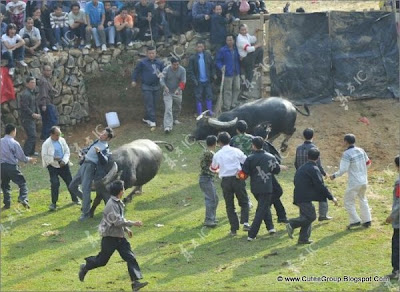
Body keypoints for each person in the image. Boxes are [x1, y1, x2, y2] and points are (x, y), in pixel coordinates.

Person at [78, 180, 149, 292]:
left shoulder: (118, 202)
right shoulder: (111, 205)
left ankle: (135, 283)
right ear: (120, 191)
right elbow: (117, 222)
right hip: (110, 238)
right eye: (123, 189)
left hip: (120, 237)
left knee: (130, 257)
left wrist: (126, 229)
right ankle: (85, 267)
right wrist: (133, 223)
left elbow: (120, 219)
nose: (124, 191)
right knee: (102, 261)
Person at [286, 148, 338, 244]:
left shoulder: (302, 167)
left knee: (306, 216)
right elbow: (320, 185)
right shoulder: (314, 169)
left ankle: (303, 239)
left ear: (307, 157)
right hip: (304, 197)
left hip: (299, 195)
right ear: (318, 158)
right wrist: (331, 197)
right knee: (311, 216)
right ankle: (292, 223)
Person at [240, 137, 281, 241]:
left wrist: (238, 176)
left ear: (253, 145)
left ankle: (270, 227)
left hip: (255, 188)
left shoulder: (250, 158)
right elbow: (276, 170)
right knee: (261, 209)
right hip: (267, 187)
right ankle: (252, 235)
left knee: (264, 206)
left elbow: (244, 174)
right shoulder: (270, 157)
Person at [69, 127, 114, 221]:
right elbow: (88, 149)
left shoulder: (105, 147)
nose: (102, 135)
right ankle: (86, 200)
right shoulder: (97, 141)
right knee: (72, 186)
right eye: (102, 133)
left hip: (90, 167)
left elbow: (104, 161)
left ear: (108, 138)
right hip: (84, 164)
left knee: (86, 189)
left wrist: (99, 153)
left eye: (105, 135)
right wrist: (82, 153)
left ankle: (86, 213)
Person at [210, 132, 250, 236]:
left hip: (226, 181)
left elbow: (213, 168)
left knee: (230, 205)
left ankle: (234, 229)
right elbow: (246, 161)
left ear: (219, 142)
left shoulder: (217, 154)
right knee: (244, 201)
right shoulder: (236, 151)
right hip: (238, 178)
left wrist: (219, 170)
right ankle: (245, 222)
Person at [330, 134, 372, 229]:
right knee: (363, 199)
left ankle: (355, 220)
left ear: (346, 142)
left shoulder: (347, 154)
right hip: (364, 180)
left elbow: (343, 169)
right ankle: (367, 220)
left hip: (354, 182)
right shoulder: (361, 150)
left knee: (348, 201)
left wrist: (334, 176)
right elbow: (368, 163)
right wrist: (362, 170)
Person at [295, 128, 331, 221]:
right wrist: (324, 174)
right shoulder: (314, 148)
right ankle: (323, 215)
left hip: (301, 176)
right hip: (313, 174)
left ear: (304, 136)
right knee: (322, 193)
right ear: (313, 136)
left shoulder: (298, 148)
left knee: (304, 198)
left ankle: (303, 215)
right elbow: (318, 164)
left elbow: (296, 163)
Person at [253, 125, 288, 223]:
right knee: (277, 192)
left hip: (259, 175)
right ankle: (265, 209)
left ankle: (281, 216)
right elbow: (269, 161)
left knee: (274, 193)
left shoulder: (256, 144)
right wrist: (278, 167)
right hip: (266, 175)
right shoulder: (264, 146)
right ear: (266, 136)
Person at [42, 126, 81, 211]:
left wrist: (64, 161)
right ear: (51, 134)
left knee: (70, 181)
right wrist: (54, 158)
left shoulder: (62, 140)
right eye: (56, 135)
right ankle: (53, 203)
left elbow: (67, 151)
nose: (58, 137)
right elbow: (45, 156)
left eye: (59, 134)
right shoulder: (46, 144)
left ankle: (75, 199)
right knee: (55, 183)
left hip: (63, 164)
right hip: (52, 166)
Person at [1, 124, 37, 210]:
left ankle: (7, 203)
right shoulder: (14, 143)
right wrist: (29, 159)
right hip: (12, 167)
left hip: (1, 167)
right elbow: (21, 157)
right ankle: (23, 198)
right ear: (13, 131)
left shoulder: (0, 141)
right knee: (22, 183)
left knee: (5, 185)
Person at [131, 46, 164, 128]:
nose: (152, 55)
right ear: (147, 54)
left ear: (155, 53)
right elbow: (136, 71)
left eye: (153, 53)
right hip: (146, 86)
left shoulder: (160, 63)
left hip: (156, 86)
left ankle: (146, 118)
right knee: (149, 104)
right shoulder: (142, 62)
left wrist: (162, 74)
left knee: (155, 104)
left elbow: (164, 71)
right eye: (150, 53)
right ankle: (153, 121)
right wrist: (133, 80)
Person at [187, 41, 215, 116]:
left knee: (209, 95)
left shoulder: (208, 56)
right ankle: (200, 113)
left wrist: (212, 76)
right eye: (198, 46)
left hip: (207, 80)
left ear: (204, 47)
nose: (200, 48)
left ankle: (210, 111)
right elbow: (190, 71)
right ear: (195, 48)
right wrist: (194, 80)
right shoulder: (193, 58)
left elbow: (212, 67)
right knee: (198, 97)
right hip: (198, 81)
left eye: (201, 46)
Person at [159, 57, 186, 133]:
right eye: (174, 65)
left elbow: (183, 81)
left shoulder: (182, 70)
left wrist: (178, 89)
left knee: (178, 106)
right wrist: (164, 86)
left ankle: (175, 119)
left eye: (177, 64)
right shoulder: (166, 69)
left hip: (177, 91)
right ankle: (167, 126)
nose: (176, 66)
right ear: (171, 64)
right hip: (167, 92)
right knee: (168, 108)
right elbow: (161, 79)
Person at [216, 34, 241, 112]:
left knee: (237, 88)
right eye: (228, 40)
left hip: (236, 72)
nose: (229, 41)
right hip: (227, 73)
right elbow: (218, 61)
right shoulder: (223, 50)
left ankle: (234, 104)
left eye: (231, 40)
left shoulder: (237, 49)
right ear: (226, 41)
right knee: (228, 90)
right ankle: (227, 106)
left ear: (234, 41)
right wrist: (221, 67)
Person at [199, 135, 219, 227]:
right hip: (206, 179)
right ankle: (209, 220)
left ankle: (212, 218)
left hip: (207, 179)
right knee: (211, 199)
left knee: (215, 198)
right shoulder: (210, 154)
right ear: (215, 143)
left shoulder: (206, 152)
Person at [236, 23, 263, 91]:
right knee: (260, 49)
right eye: (242, 30)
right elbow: (248, 49)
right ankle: (245, 90)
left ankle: (245, 90)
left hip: (248, 57)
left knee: (249, 74)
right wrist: (257, 45)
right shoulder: (240, 39)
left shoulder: (246, 35)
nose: (244, 31)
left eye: (245, 30)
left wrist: (255, 32)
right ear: (239, 31)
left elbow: (253, 39)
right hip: (245, 59)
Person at [385, 155, 400, 280]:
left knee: (396, 245)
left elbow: (399, 202)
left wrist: (392, 216)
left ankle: (396, 271)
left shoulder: (399, 182)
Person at [20, 77, 40, 156]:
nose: (33, 84)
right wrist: (32, 114)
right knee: (32, 135)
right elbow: (24, 107)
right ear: (27, 84)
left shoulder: (32, 93)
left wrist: (37, 113)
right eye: (32, 82)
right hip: (27, 118)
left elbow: (34, 105)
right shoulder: (26, 94)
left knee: (33, 135)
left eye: (34, 82)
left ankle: (31, 151)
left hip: (31, 118)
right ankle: (26, 153)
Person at [38, 65, 59, 140]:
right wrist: (44, 104)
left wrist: (54, 90)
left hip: (46, 103)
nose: (49, 72)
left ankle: (44, 136)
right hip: (46, 103)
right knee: (52, 120)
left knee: (46, 121)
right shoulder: (43, 81)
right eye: (47, 70)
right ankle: (47, 137)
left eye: (50, 70)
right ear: (43, 71)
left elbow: (49, 88)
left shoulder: (46, 79)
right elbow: (43, 93)